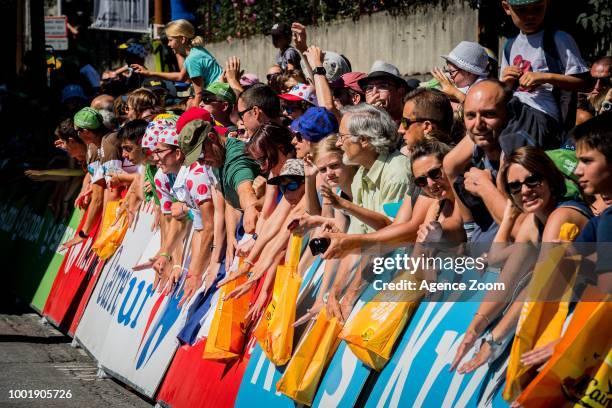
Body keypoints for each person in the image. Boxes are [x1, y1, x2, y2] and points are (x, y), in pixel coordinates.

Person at [452, 146, 592, 376]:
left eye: (532, 180)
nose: (525, 190)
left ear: (550, 178)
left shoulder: (562, 216)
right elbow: (505, 272)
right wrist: (474, 328)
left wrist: (495, 340)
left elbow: (538, 285)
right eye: (515, 186)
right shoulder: (534, 221)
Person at [500, 0, 589, 142]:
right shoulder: (510, 46)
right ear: (506, 7)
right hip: (515, 112)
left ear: (546, 4)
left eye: (537, 9)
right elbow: (505, 91)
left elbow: (584, 83)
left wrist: (545, 77)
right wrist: (506, 83)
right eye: (522, 10)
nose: (530, 16)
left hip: (544, 116)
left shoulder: (559, 39)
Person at [444, 80, 512, 244]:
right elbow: (450, 165)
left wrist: (485, 187)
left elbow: (518, 228)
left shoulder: (516, 159)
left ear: (509, 115)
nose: (478, 124)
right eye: (471, 116)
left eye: (489, 114)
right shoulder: (479, 149)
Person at [131, 19, 222, 108]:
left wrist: (191, 117)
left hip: (218, 95)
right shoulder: (196, 50)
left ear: (182, 39)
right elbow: (181, 77)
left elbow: (199, 94)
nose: (168, 44)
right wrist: (150, 73)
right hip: (218, 91)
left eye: (170, 40)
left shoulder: (192, 59)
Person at [573, 112, 612, 291]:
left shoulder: (608, 220)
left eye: (586, 161)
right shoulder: (600, 222)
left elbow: (606, 295)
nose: (577, 171)